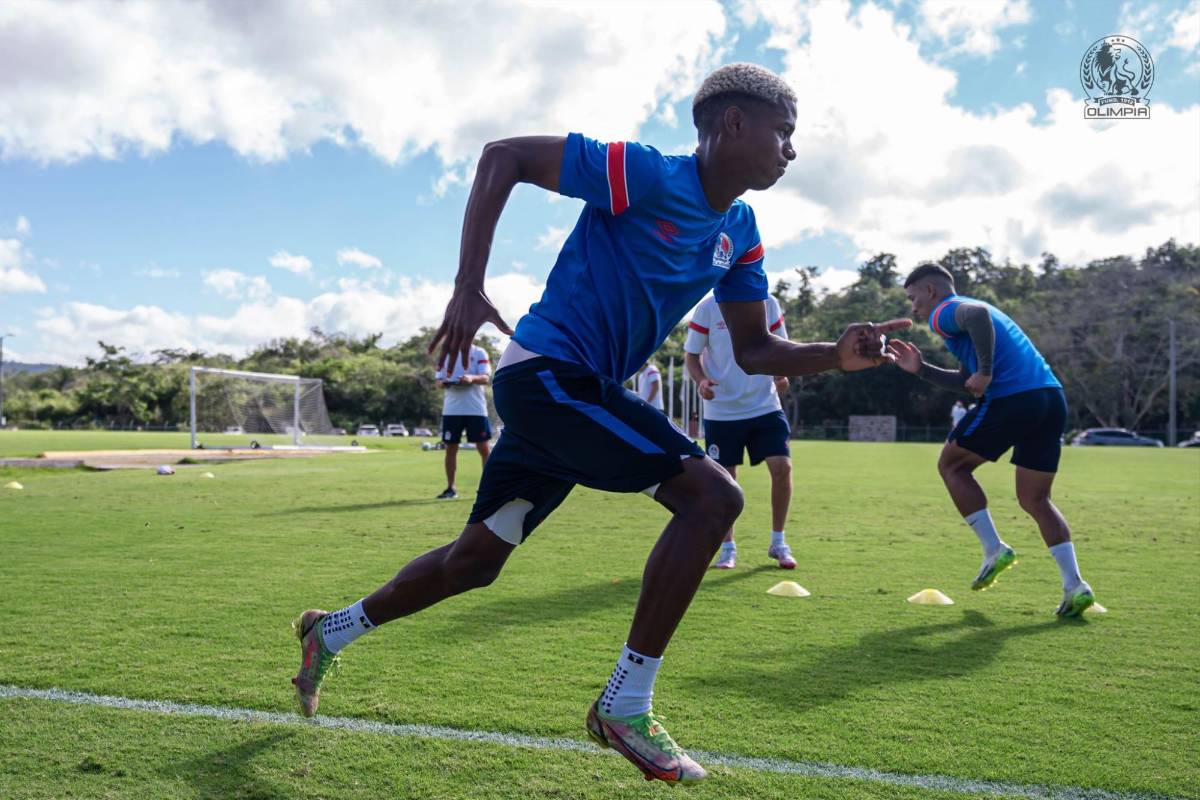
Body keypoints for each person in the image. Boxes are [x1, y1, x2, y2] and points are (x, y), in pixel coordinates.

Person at [291, 63, 908, 785]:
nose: (791, 152)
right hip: (548, 376)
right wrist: (467, 286)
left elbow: (756, 349)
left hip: (570, 399)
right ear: (734, 124)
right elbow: (503, 156)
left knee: (475, 563)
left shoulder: (739, 231)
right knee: (714, 498)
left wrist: (835, 355)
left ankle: (328, 631)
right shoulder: (644, 174)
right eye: (784, 133)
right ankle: (626, 704)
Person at [889, 263, 1095, 618]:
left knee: (951, 466)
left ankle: (993, 548)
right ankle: (1075, 585)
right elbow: (965, 382)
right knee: (1035, 498)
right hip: (1049, 399)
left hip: (1014, 399)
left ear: (931, 291)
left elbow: (977, 317)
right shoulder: (962, 322)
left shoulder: (946, 312)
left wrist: (986, 371)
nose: (913, 308)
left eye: (913, 298)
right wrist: (920, 370)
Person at [684, 294, 795, 569]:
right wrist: (701, 381)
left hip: (765, 405)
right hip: (721, 410)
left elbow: (782, 348)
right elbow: (691, 355)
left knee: (782, 467)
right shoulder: (707, 308)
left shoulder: (768, 303)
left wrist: (782, 373)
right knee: (725, 481)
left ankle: (778, 542)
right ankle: (727, 548)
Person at [434, 341, 493, 499]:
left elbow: (486, 378)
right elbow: (438, 380)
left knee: (484, 449)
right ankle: (450, 489)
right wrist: (444, 383)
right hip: (452, 410)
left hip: (476, 409)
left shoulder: (479, 352)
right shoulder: (445, 354)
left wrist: (471, 379)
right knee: (450, 449)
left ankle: (488, 489)